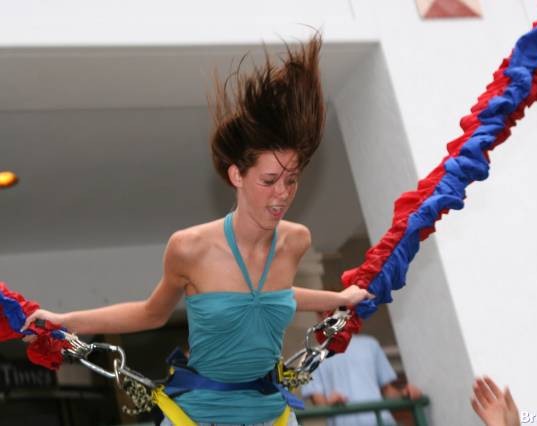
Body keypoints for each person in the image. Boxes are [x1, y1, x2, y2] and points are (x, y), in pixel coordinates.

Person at [21, 34, 373, 425]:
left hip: (271, 414)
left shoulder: (295, 241)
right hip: (199, 415)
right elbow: (150, 313)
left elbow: (272, 294)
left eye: (292, 180)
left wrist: (337, 298)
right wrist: (64, 320)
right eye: (270, 180)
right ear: (236, 174)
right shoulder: (190, 248)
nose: (283, 194)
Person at [301, 333, 422, 426]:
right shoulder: (312, 356)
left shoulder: (370, 344)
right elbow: (319, 404)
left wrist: (406, 395)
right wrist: (330, 403)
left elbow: (388, 391)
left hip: (382, 422)